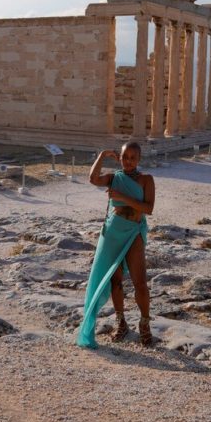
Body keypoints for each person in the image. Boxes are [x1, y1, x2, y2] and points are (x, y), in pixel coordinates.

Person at [77, 142, 155, 348]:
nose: (128, 161)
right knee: (115, 281)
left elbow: (148, 208)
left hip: (133, 231)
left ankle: (145, 324)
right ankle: (121, 322)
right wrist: (102, 154)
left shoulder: (146, 179)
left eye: (133, 157)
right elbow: (93, 179)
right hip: (112, 231)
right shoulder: (114, 178)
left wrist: (122, 197)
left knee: (140, 281)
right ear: (119, 158)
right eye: (124, 157)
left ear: (138, 159)